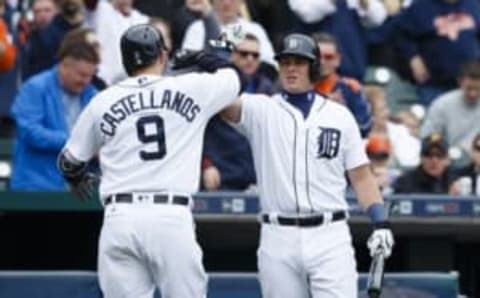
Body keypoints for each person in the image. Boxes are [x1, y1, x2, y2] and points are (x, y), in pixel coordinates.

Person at [58, 24, 243, 298]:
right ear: (162, 55)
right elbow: (233, 77)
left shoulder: (103, 100)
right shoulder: (190, 87)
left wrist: (76, 179)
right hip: (169, 217)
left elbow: (69, 162)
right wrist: (200, 57)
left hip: (119, 218)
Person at [221, 33, 394, 297]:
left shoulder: (340, 115)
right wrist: (218, 63)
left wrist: (380, 222)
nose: (291, 68)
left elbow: (361, 177)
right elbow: (221, 101)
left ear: (313, 67)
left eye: (299, 62)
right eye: (285, 61)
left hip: (330, 233)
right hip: (278, 235)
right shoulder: (261, 109)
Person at [10, 28, 99, 190]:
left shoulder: (92, 94)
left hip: (79, 190)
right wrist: (77, 144)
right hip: (35, 187)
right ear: (64, 67)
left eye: (90, 75)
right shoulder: (34, 88)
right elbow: (31, 132)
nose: (86, 81)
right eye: (81, 75)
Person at [313, 32, 372, 137]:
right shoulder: (299, 89)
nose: (322, 62)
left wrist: (343, 112)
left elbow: (365, 127)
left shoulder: (350, 89)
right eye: (318, 57)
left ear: (338, 59)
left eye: (328, 57)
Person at [421, 59, 480, 155]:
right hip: (449, 157)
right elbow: (429, 136)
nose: (473, 93)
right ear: (460, 82)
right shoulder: (442, 104)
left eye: (477, 89)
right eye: (469, 88)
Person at [393, 132, 457, 194]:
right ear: (421, 157)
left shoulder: (455, 181)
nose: (434, 160)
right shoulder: (405, 182)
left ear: (447, 159)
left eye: (439, 155)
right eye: (428, 155)